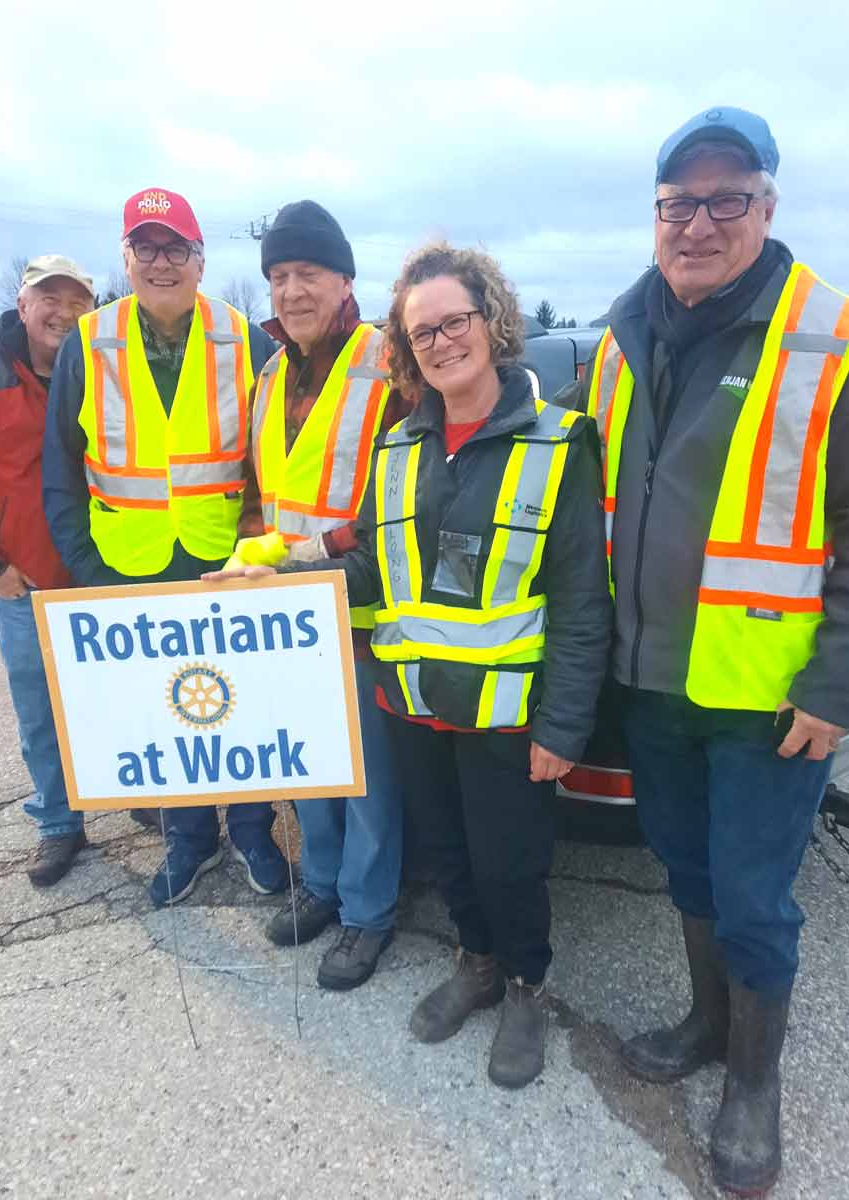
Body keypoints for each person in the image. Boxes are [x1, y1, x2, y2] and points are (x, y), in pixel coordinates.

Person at [208, 242, 612, 1085]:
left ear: (491, 322)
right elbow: (369, 570)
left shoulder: (559, 441)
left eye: (453, 322)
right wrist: (276, 573)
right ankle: (474, 962)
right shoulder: (398, 449)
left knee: (511, 866)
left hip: (507, 715)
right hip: (415, 706)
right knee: (451, 856)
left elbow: (581, 601)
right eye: (420, 331)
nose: (439, 342)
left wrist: (565, 723)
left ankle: (526, 987)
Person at [565, 108, 849, 1195]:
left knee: (754, 895)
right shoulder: (618, 338)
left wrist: (834, 684)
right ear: (654, 217)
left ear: (767, 209)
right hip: (653, 682)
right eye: (679, 202)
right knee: (685, 867)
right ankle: (703, 1019)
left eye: (726, 198)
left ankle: (754, 1083)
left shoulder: (826, 338)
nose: (699, 222)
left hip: (771, 698)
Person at [42, 187, 284, 908]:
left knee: (237, 706)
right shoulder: (89, 342)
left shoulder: (247, 338)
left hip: (224, 562)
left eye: (175, 246)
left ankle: (251, 832)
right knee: (164, 715)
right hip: (127, 569)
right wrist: (89, 574)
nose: (161, 262)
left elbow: (277, 461)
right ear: (125, 257)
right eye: (145, 247)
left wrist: (264, 552)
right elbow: (60, 471)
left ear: (201, 260)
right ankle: (189, 841)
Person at [224, 200, 413, 991]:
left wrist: (295, 555)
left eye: (306, 273)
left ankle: (368, 914)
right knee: (310, 764)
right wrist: (251, 548)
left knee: (367, 776)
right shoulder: (272, 371)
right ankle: (326, 888)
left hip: (364, 606)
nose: (290, 290)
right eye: (277, 276)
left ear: (345, 280)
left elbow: (398, 500)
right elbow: (263, 489)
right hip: (288, 608)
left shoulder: (390, 364)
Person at [0, 255, 94, 885]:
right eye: (49, 299)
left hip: (101, 576)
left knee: (112, 702)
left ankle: (141, 796)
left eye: (76, 302)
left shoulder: (100, 370)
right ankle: (59, 824)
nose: (62, 313)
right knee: (40, 714)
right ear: (22, 302)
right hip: (24, 584)